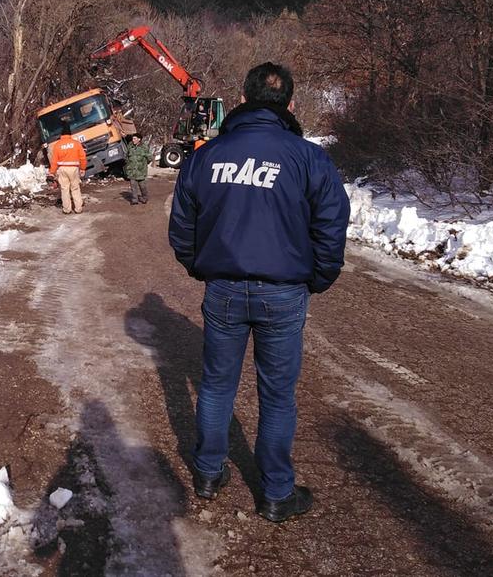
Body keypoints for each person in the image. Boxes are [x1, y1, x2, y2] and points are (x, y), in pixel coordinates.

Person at [167, 62, 350, 523]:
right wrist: (317, 277)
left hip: (224, 288)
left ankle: (209, 473)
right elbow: (331, 227)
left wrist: (201, 267)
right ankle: (275, 494)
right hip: (284, 294)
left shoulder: (206, 156)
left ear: (243, 101)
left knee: (215, 386)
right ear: (290, 105)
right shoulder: (309, 158)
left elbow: (182, 227)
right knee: (277, 396)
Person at [48, 122, 87, 215]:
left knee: (64, 189)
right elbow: (82, 157)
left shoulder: (57, 145)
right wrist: (82, 168)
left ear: (62, 135)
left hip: (62, 169)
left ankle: (67, 209)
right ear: (70, 134)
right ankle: (78, 208)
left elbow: (54, 161)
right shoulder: (76, 144)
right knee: (75, 188)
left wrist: (51, 172)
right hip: (73, 169)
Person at [124, 133, 152, 204]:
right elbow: (126, 156)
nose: (133, 140)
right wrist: (128, 165)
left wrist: (143, 165)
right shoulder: (130, 146)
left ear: (139, 139)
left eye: (135, 138)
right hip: (132, 170)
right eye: (133, 139)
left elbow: (150, 157)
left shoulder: (144, 147)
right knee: (133, 187)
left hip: (141, 171)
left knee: (142, 187)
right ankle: (134, 200)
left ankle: (144, 198)